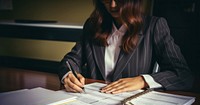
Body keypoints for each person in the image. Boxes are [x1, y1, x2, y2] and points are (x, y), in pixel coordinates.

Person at [59, 0, 193, 94]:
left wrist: (142, 81)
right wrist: (68, 75)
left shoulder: (154, 26)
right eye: (106, 0)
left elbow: (183, 75)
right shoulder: (92, 26)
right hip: (92, 103)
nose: (112, 5)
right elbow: (71, 60)